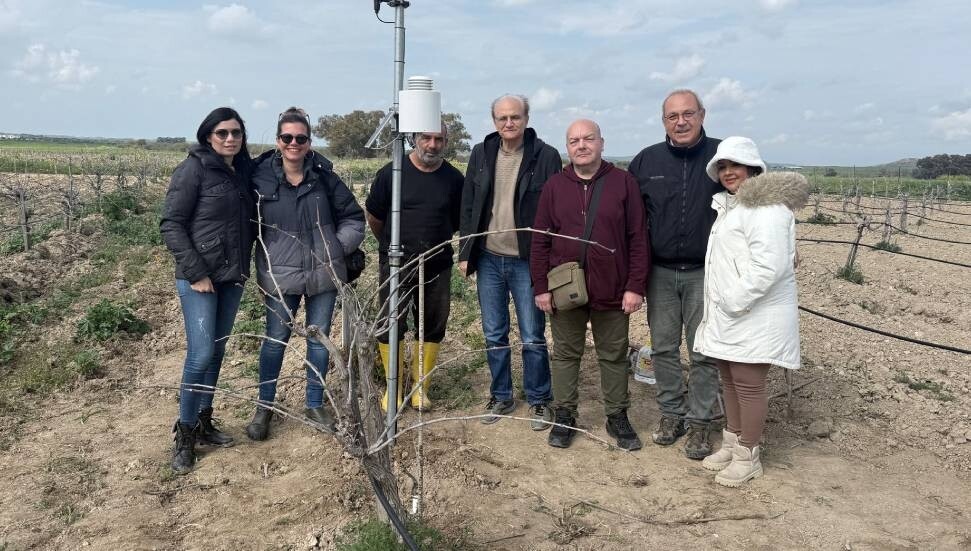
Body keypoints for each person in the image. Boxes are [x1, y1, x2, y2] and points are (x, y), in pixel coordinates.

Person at [693, 137, 808, 486]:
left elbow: (769, 267)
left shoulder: (767, 209)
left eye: (736, 166)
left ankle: (748, 455)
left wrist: (731, 300)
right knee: (729, 379)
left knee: (748, 386)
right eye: (723, 167)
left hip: (753, 315)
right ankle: (733, 442)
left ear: (753, 169)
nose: (729, 173)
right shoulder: (734, 206)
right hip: (733, 315)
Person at [245, 107, 365, 441]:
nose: (294, 143)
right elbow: (245, 225)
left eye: (300, 138)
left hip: (323, 276)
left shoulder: (324, 178)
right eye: (287, 137)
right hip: (279, 278)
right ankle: (264, 407)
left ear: (309, 142)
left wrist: (333, 249)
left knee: (319, 341)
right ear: (278, 141)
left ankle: (314, 403)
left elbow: (354, 218)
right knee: (274, 342)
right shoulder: (259, 180)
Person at [530, 119, 649, 450]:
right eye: (574, 141)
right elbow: (540, 241)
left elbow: (638, 237)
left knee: (613, 355)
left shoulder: (623, 183)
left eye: (588, 139)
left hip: (613, 288)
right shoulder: (554, 186)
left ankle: (617, 416)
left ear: (601, 142)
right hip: (565, 290)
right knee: (566, 354)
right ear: (567, 147)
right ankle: (565, 414)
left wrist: (635, 286)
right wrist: (541, 287)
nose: (581, 145)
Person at [627, 89, 722, 459]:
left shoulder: (723, 156)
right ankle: (671, 413)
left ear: (702, 114)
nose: (680, 122)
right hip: (660, 273)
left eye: (687, 114)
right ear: (663, 120)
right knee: (664, 348)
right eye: (672, 116)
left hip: (706, 274)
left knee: (704, 352)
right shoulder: (646, 161)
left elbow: (754, 200)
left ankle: (700, 423)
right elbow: (631, 221)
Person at [160, 106, 255, 474]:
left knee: (216, 352)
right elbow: (171, 224)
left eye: (236, 133)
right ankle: (184, 433)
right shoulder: (193, 169)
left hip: (232, 276)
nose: (230, 139)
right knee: (199, 354)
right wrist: (197, 272)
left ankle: (203, 420)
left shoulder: (241, 171)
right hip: (199, 279)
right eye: (222, 133)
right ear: (208, 136)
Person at [459, 94, 562, 429]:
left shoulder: (545, 157)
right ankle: (501, 395)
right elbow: (469, 204)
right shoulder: (481, 153)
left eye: (515, 117)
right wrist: (465, 252)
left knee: (533, 335)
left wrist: (548, 261)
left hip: (526, 261)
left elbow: (554, 211)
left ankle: (539, 400)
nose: (508, 123)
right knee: (494, 333)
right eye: (502, 118)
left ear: (526, 119)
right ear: (494, 121)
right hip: (489, 258)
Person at [365, 123, 464, 411]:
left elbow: (456, 221)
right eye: (426, 138)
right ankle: (393, 387)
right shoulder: (391, 173)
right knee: (390, 322)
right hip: (396, 262)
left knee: (433, 324)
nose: (432, 145)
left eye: (439, 139)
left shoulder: (454, 179)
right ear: (414, 139)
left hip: (437, 263)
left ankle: (421, 388)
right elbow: (374, 216)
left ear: (445, 141)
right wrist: (391, 247)